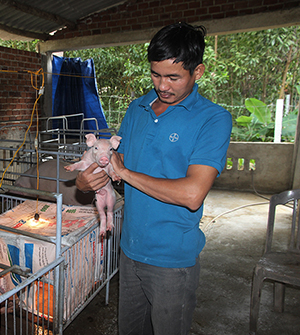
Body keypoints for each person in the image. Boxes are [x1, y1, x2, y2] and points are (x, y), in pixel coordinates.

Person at [75, 22, 232, 335]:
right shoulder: (138, 108)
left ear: (197, 72)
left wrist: (124, 173)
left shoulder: (213, 119)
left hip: (172, 259)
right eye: (156, 74)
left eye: (173, 77)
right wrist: (86, 181)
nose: (162, 85)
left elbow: (191, 194)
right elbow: (115, 172)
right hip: (130, 248)